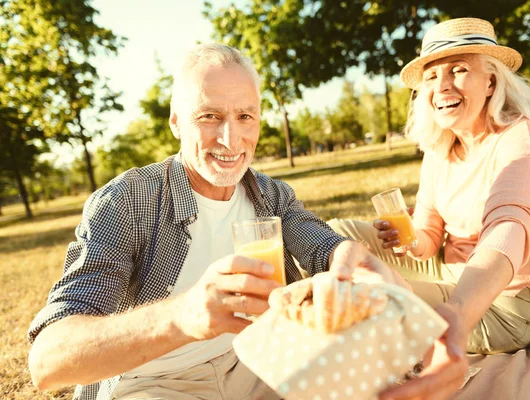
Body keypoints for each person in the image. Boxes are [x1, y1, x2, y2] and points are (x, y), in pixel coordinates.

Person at [27, 43, 407, 400]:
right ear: (176, 122)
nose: (230, 139)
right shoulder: (127, 201)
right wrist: (182, 316)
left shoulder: (272, 196)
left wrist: (348, 260)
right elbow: (48, 361)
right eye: (209, 117)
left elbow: (320, 244)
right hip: (156, 383)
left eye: (245, 116)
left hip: (260, 362)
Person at [327, 17, 530, 400]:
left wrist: (457, 315)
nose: (442, 85)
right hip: (450, 270)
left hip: (503, 304)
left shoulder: (522, 145)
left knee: (373, 300)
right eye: (431, 76)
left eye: (459, 70)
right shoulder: (442, 149)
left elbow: (507, 229)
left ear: (491, 82)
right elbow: (428, 238)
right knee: (336, 236)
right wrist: (407, 240)